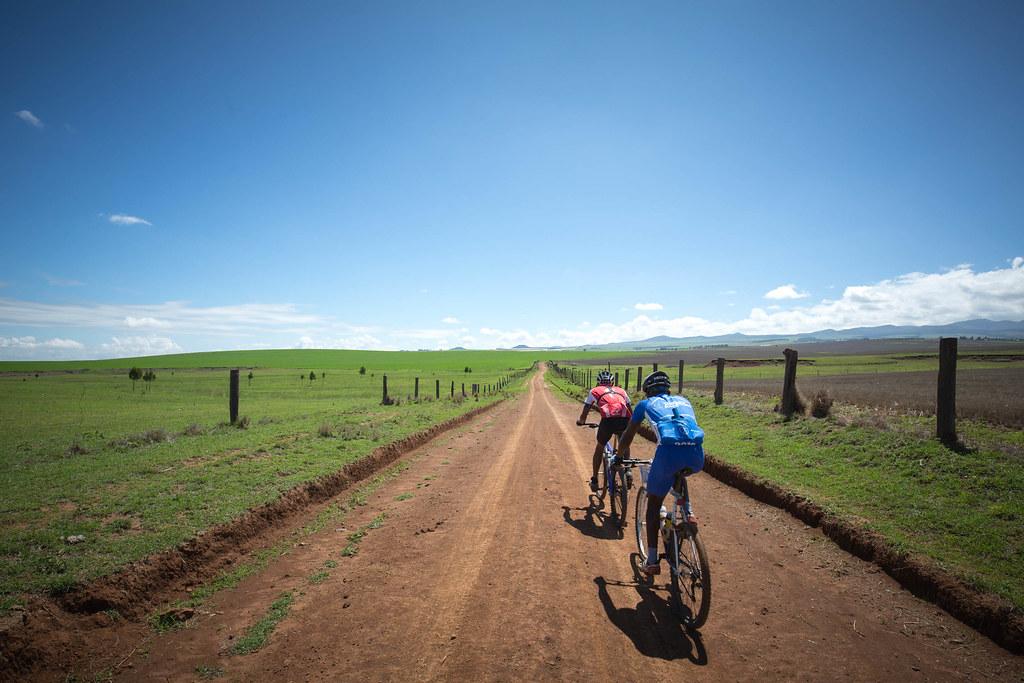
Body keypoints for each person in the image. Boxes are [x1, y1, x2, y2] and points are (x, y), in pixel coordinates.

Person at [617, 370, 705, 577]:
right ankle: (688, 512)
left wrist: (619, 456)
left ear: (647, 391)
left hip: (667, 454)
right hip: (697, 454)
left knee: (654, 504)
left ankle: (652, 560)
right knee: (681, 472)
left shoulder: (645, 405)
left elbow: (628, 434)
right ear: (668, 388)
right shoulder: (684, 401)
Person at [575, 370, 632, 493]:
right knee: (624, 442)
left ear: (599, 382)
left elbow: (586, 409)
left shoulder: (594, 391)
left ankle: (595, 480)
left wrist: (581, 421)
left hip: (608, 422)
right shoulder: (621, 391)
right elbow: (629, 409)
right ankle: (628, 471)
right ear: (612, 383)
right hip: (624, 420)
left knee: (600, 447)